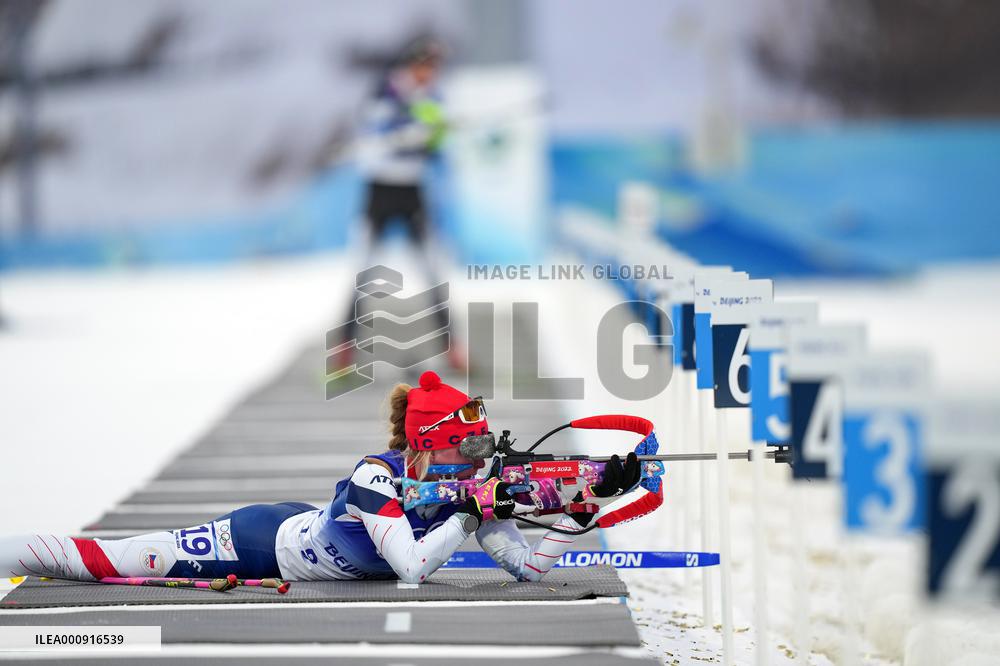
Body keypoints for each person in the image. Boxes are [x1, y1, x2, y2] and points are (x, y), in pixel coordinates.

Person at [0, 371, 641, 585]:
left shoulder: (472, 486)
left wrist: (577, 511)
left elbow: (527, 570)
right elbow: (413, 569)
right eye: (466, 444)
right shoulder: (376, 477)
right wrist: (466, 515)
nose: (479, 455)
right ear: (433, 442)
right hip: (259, 541)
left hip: (303, 531)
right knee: (108, 562)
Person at [334, 37, 459, 372]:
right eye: (424, 67)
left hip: (412, 192)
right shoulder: (383, 92)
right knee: (364, 272)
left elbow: (433, 149)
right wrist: (409, 131)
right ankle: (344, 352)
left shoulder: (433, 99)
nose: (428, 74)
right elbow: (377, 137)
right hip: (380, 192)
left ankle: (453, 348)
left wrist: (433, 137)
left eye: (433, 68)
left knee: (433, 268)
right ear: (410, 65)